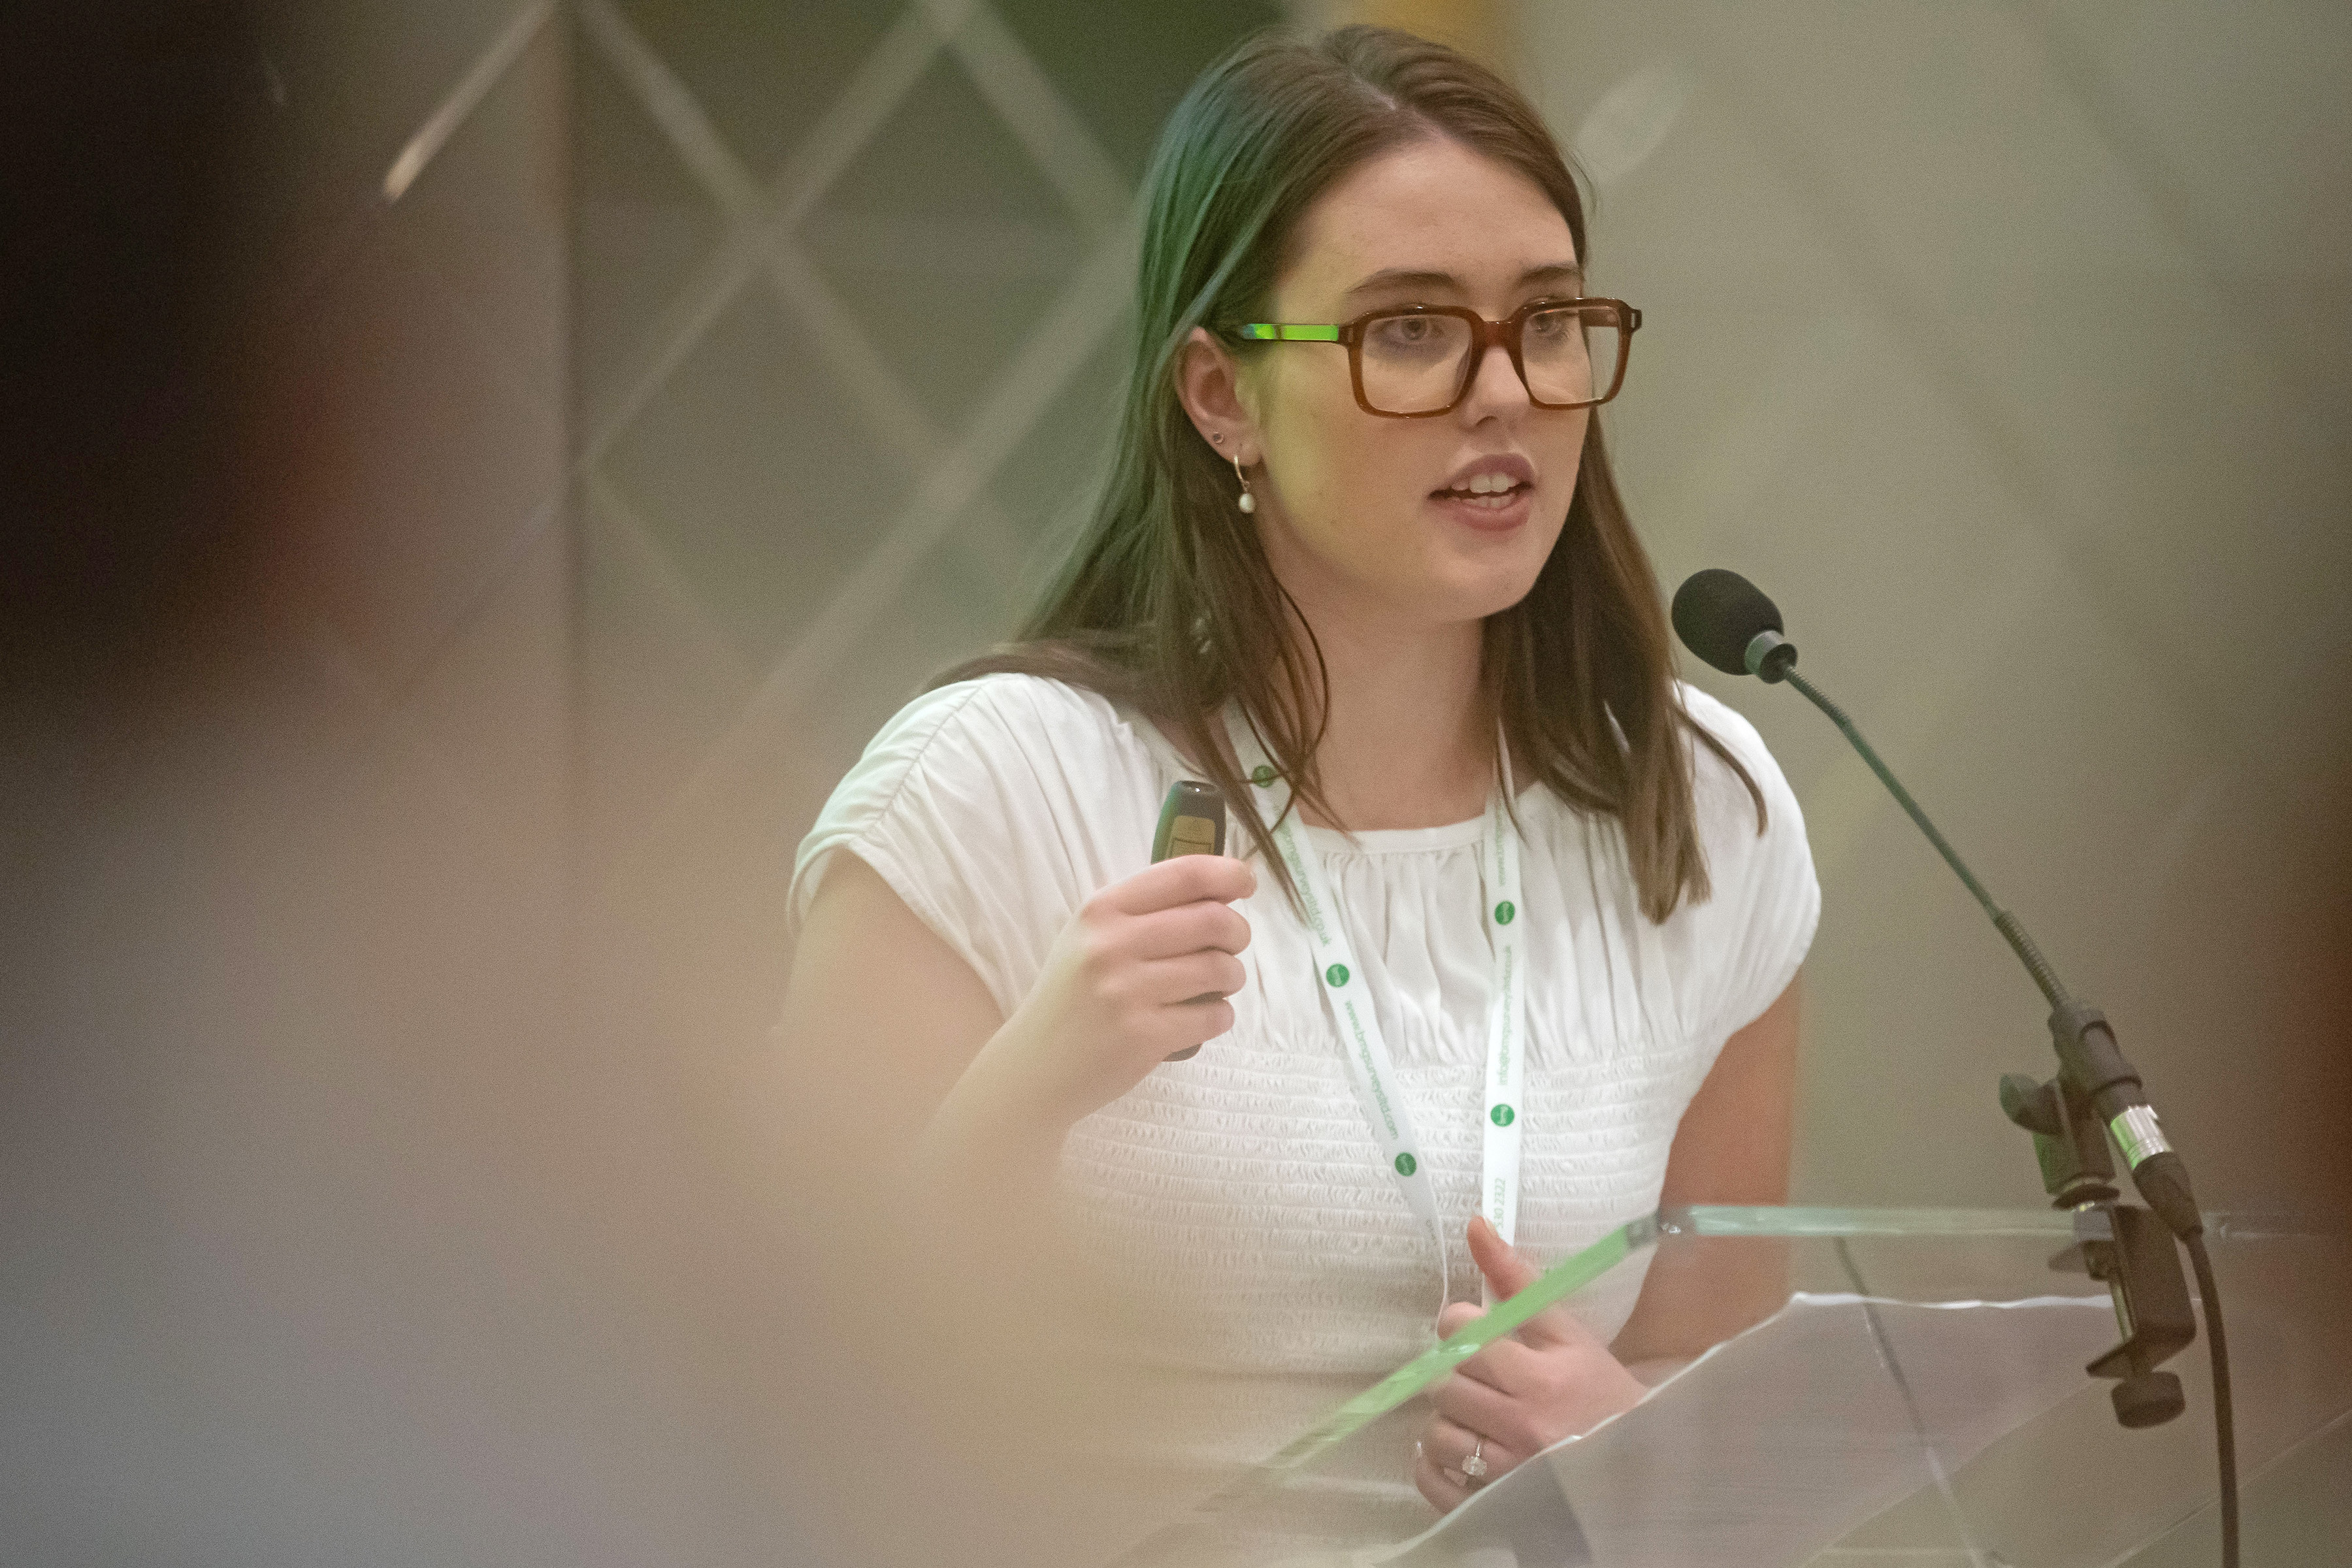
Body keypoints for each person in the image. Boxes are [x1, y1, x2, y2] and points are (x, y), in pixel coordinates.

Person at [777, 24, 1818, 1526]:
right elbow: (771, 1400)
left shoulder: (1704, 804)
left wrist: (1633, 1443)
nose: (1505, 393)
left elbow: (1726, 1400)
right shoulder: (988, 788)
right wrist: (1026, 1095)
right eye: (1412, 331)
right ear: (1221, 396)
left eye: (1546, 322)